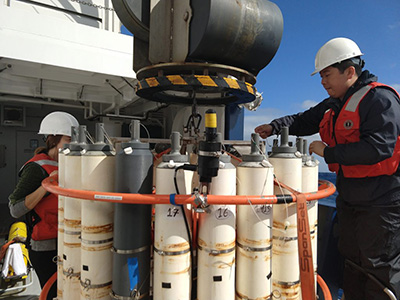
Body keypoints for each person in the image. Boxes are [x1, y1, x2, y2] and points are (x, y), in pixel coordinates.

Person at [255, 37, 400, 300]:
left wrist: (327, 152)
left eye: (327, 74)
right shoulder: (333, 105)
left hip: (382, 203)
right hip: (350, 198)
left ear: (350, 72)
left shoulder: (380, 100)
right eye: (321, 76)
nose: (323, 81)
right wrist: (274, 127)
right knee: (352, 261)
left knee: (379, 267)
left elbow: (378, 148)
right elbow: (302, 119)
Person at [8, 111, 79, 299]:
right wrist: (47, 185)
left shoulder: (70, 164)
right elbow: (15, 209)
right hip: (46, 246)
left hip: (69, 240)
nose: (72, 144)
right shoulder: (36, 168)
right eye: (68, 139)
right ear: (53, 139)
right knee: (53, 293)